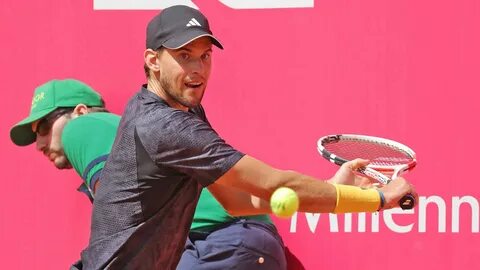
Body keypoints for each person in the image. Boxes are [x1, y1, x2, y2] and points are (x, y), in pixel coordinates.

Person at [80, 5, 417, 270]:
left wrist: (332, 189)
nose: (197, 69)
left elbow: (235, 200)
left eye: (205, 56)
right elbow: (272, 182)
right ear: (153, 61)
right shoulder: (167, 127)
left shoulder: (176, 108)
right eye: (184, 56)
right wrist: (380, 199)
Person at [10, 79, 290, 269]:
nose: (40, 144)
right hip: (245, 246)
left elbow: (121, 224)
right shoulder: (136, 135)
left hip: (215, 242)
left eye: (45, 126)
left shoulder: (83, 127)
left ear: (80, 111)